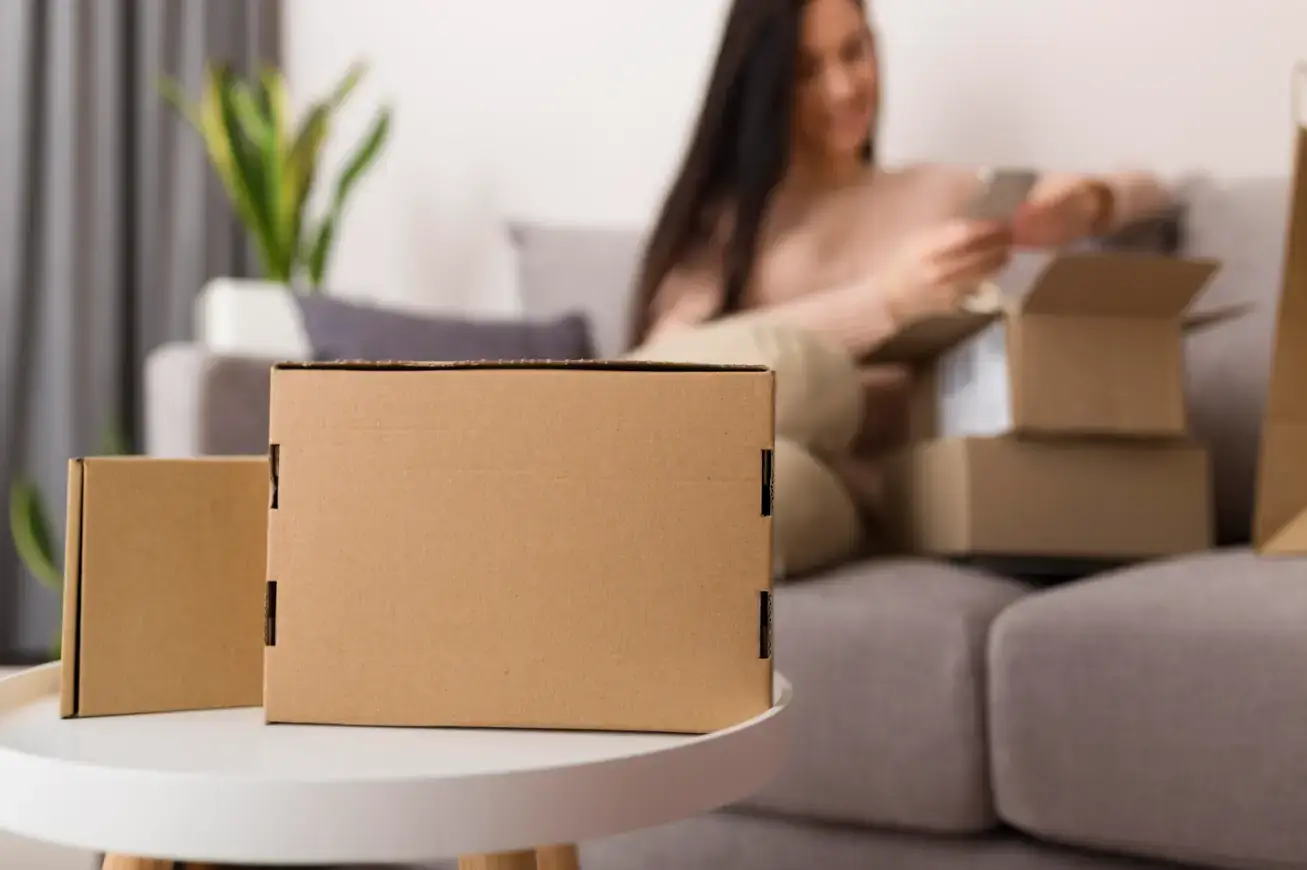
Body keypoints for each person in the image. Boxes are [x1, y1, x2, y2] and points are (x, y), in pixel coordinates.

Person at [624, 0, 1176, 577]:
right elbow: (654, 371)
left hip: (845, 490)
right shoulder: (730, 225)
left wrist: (1089, 203)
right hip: (718, 438)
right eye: (807, 71)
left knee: (761, 480)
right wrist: (887, 303)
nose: (843, 88)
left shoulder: (937, 195)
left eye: (854, 52)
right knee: (781, 392)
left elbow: (1151, 191)